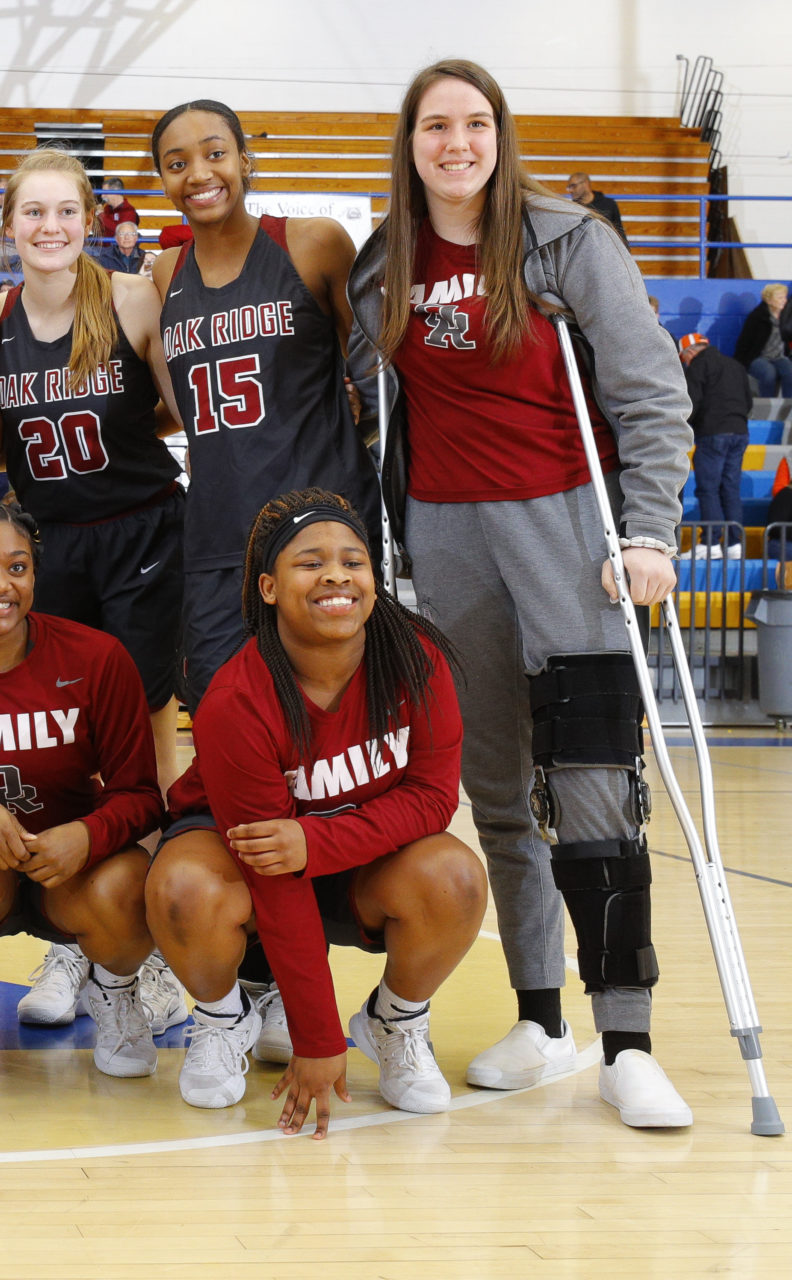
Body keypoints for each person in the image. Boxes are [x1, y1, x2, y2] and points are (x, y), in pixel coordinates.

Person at [349, 59, 695, 1128]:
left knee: (591, 770)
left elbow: (648, 388)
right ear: (408, 144)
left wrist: (649, 530)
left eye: (474, 123)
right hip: (446, 539)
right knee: (495, 782)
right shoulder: (380, 273)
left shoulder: (566, 241)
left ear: (500, 133)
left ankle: (626, 1035)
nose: (456, 143)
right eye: (434, 127)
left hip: (563, 522)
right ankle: (540, 1016)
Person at [148, 489, 486, 1136]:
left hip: (353, 862)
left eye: (352, 562)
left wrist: (317, 841)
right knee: (183, 886)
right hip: (248, 866)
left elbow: (434, 799)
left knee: (455, 876)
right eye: (311, 563)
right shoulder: (236, 700)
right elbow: (274, 873)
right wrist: (317, 1038)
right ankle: (222, 1018)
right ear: (269, 588)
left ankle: (395, 1019)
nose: (336, 574)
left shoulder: (417, 663)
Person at [0, 494, 166, 1082]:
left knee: (127, 879)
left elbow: (142, 794)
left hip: (66, 871)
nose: (0, 584)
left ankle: (116, 993)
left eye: (17, 567)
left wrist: (87, 836)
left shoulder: (96, 656)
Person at [149, 100, 381, 706]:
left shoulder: (313, 243)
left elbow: (372, 373)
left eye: (215, 153)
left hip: (321, 527)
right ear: (163, 179)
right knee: (221, 711)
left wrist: (360, 418)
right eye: (177, 163)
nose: (198, 173)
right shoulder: (164, 273)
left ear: (245, 159)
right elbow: (178, 405)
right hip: (219, 531)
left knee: (335, 713)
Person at [0, 148, 187, 788]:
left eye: (67, 211)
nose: (51, 226)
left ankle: (156, 832)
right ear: (9, 225)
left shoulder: (133, 299)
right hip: (51, 536)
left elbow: (183, 410)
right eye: (34, 211)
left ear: (90, 219)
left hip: (142, 528)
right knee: (67, 701)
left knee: (146, 696)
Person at [679, 333, 751, 558]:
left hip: (712, 434)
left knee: (708, 489)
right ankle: (733, 544)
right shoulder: (735, 366)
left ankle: (709, 543)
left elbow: (692, 402)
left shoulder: (697, 366)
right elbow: (748, 401)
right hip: (739, 432)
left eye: (684, 358)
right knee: (730, 489)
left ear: (689, 352)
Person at [735, 283, 792, 397]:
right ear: (769, 300)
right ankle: (767, 405)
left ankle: (788, 407)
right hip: (759, 357)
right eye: (780, 298)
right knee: (768, 374)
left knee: (790, 373)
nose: (784, 301)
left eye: (784, 297)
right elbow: (744, 342)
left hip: (779, 357)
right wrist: (740, 364)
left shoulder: (787, 317)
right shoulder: (757, 317)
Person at [565, 172, 626, 242]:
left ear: (585, 184)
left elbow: (620, 234)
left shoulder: (609, 204)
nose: (571, 190)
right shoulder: (572, 209)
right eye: (569, 187)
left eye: (573, 186)